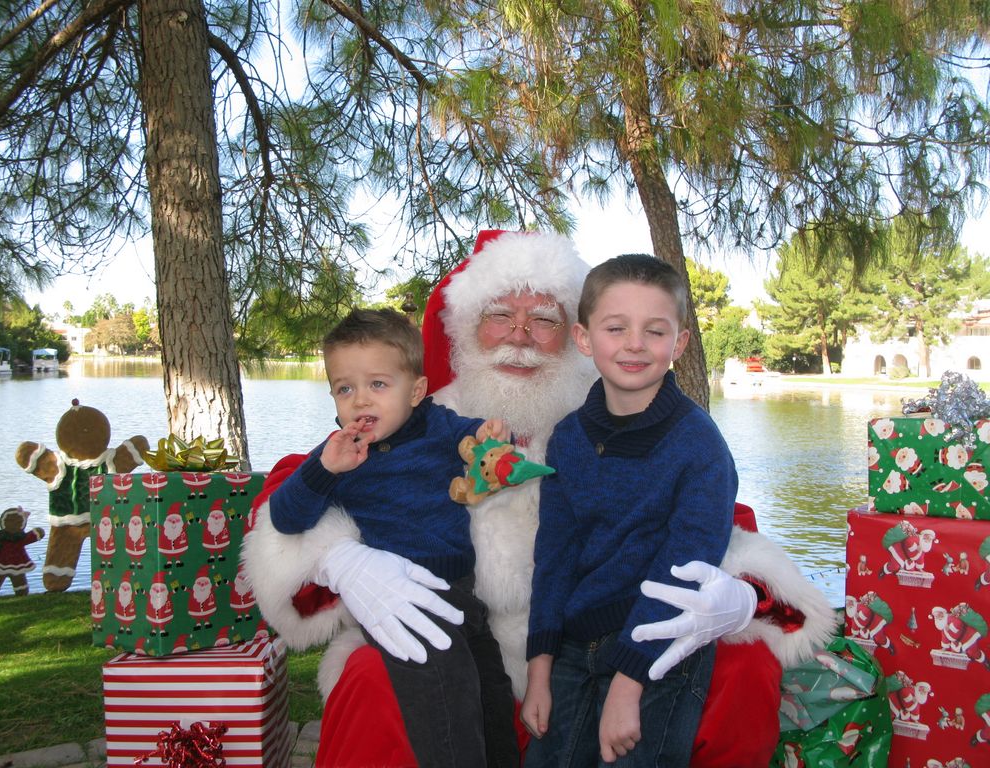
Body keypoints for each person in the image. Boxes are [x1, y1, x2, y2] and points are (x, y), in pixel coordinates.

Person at [242, 230, 838, 768]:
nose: (521, 335)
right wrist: (342, 559)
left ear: (576, 336)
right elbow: (298, 485)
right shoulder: (413, 420)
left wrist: (743, 594)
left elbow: (712, 515)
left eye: (544, 318)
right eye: (500, 314)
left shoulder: (609, 423)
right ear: (464, 331)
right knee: (373, 673)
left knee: (740, 666)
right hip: (453, 636)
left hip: (590, 642)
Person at [266, 308, 519, 768]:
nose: (361, 401)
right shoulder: (341, 455)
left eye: (378, 385)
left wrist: (492, 433)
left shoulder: (436, 425)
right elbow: (285, 518)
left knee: (492, 695)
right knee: (448, 704)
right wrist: (325, 471)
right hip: (398, 600)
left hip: (461, 593)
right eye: (345, 389)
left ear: (416, 391)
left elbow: (476, 437)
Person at [522, 254, 736, 767]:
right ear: (584, 338)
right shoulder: (568, 439)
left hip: (660, 644)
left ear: (679, 343)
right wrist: (539, 667)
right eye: (616, 328)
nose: (635, 344)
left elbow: (683, 571)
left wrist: (628, 681)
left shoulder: (700, 446)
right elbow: (554, 557)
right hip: (575, 644)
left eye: (655, 331)